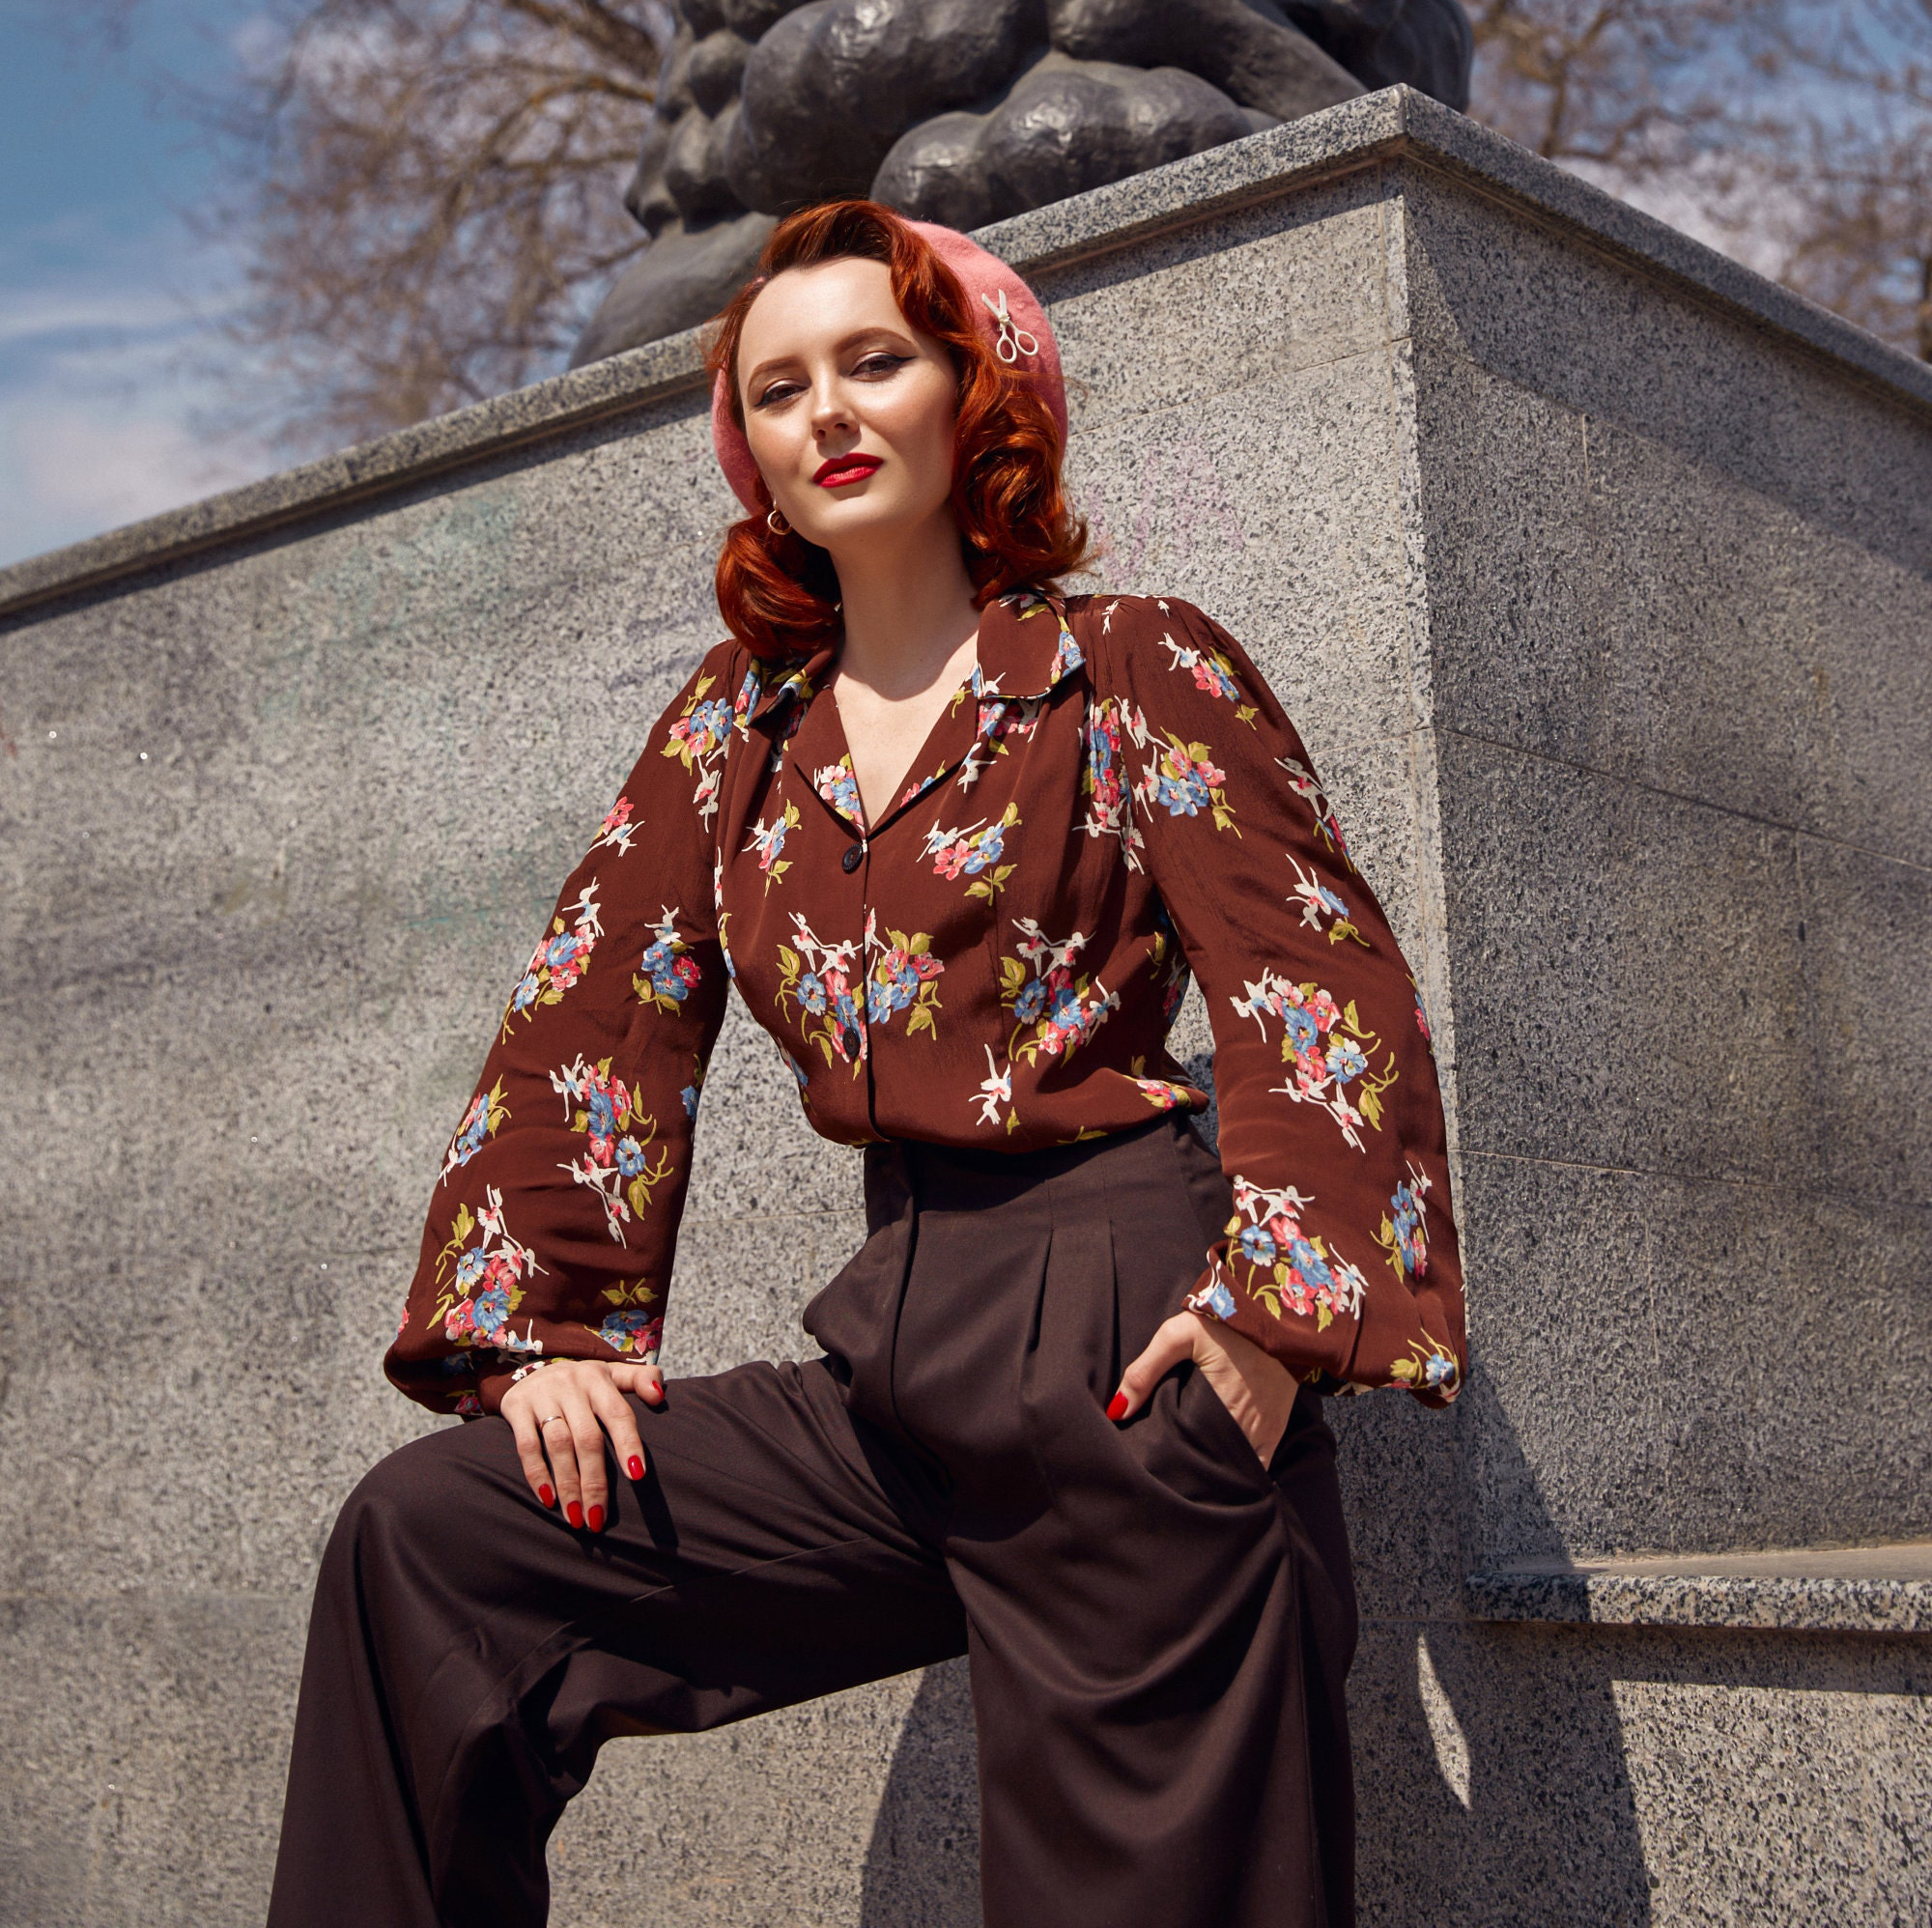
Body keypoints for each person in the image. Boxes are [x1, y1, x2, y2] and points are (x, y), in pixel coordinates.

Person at [266, 199, 1465, 1928]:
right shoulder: (739, 724)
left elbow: (1317, 984)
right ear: (745, 446)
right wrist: (543, 1335)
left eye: (872, 363)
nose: (823, 411)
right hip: (890, 1358)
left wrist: (1272, 1325)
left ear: (975, 390)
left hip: (1127, 1353)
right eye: (777, 388)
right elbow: (594, 1009)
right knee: (437, 1545)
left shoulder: (1130, 667)